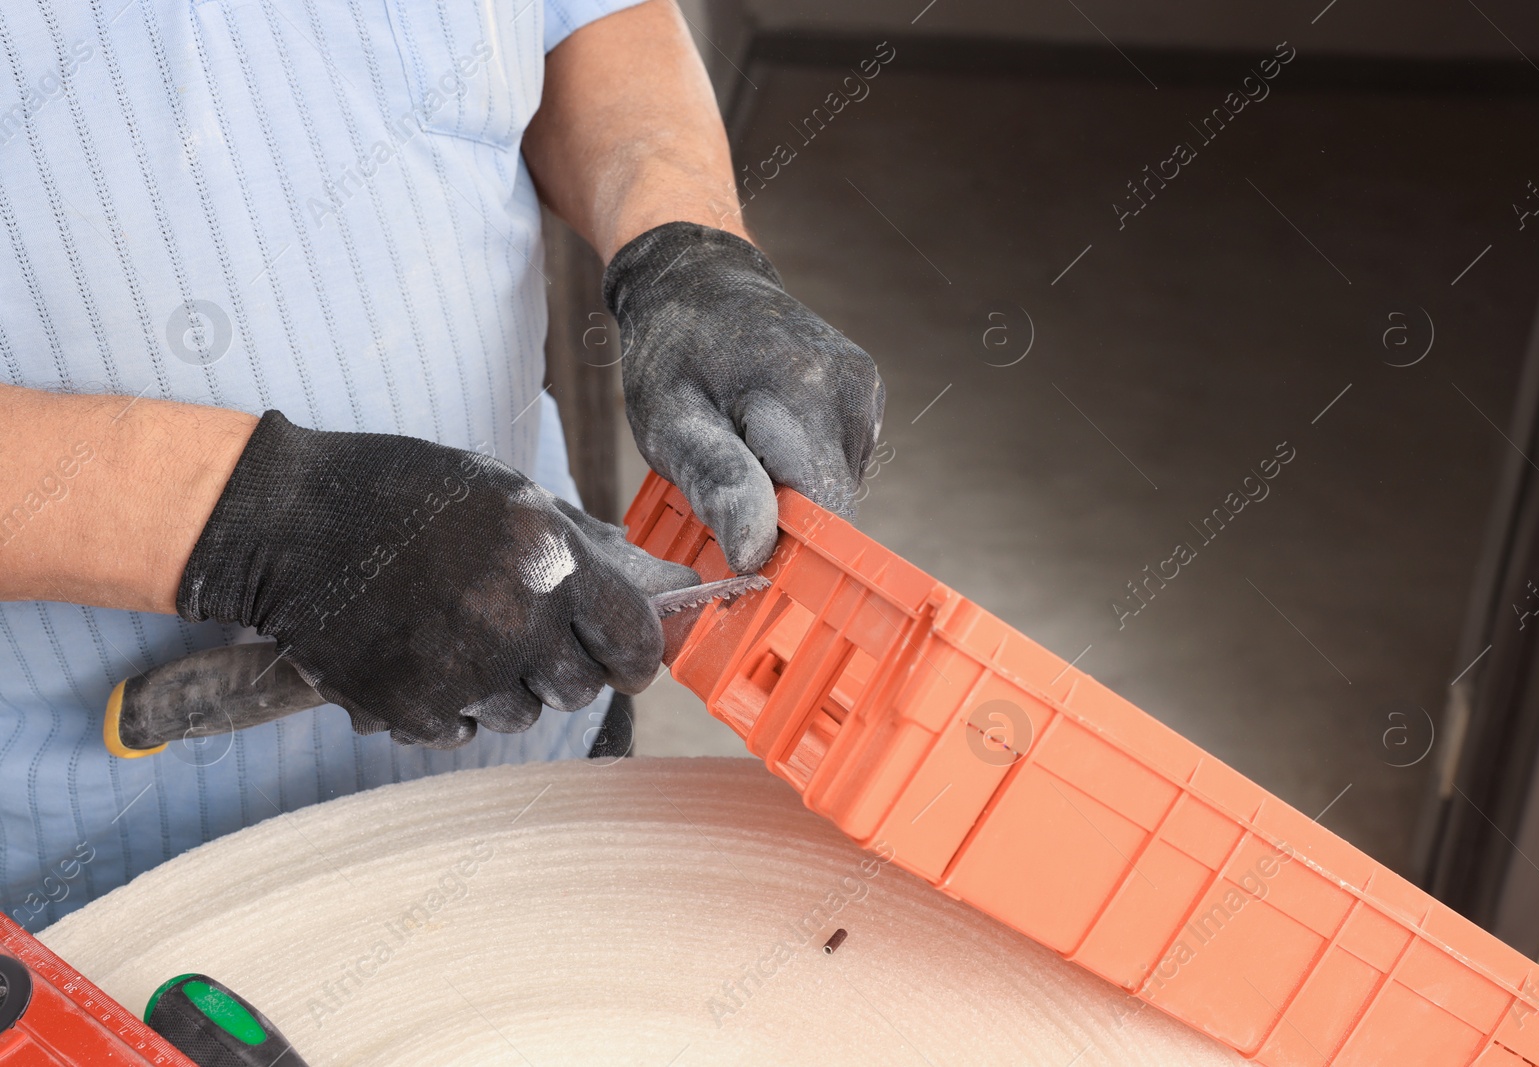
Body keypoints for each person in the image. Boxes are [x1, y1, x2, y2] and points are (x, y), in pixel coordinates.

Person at [0, 0, 883, 931]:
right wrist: (270, 522)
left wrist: (683, 245)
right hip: (90, 882)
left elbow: (590, 18)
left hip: (519, 767)